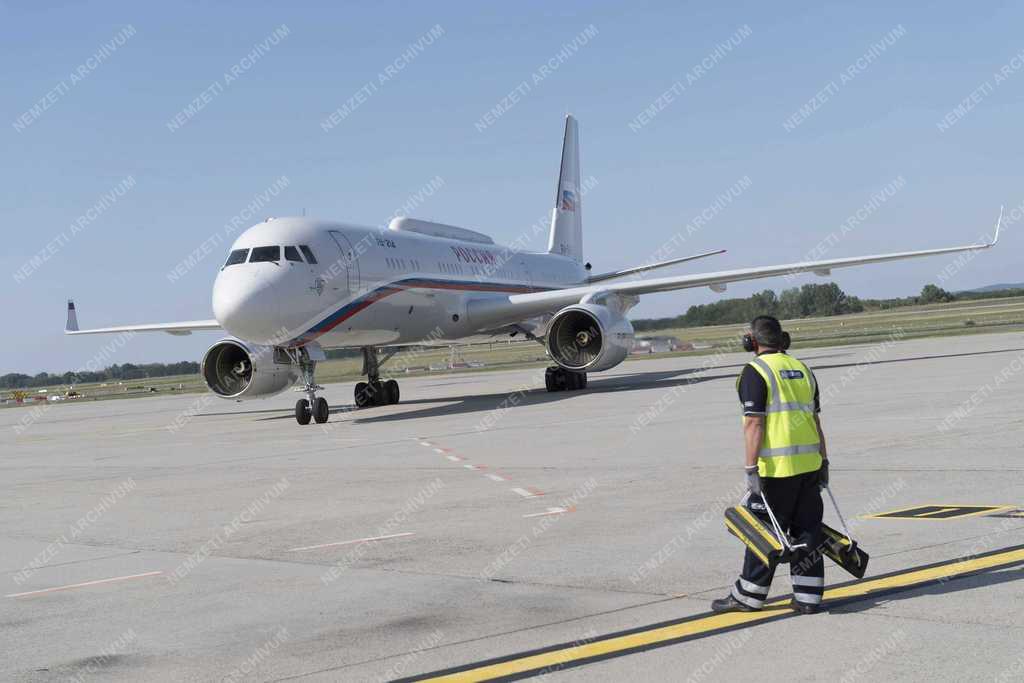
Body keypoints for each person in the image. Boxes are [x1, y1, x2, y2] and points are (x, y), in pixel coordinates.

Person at [711, 315, 829, 615]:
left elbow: (754, 423)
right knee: (807, 531)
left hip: (776, 469)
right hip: (809, 464)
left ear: (751, 341)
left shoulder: (756, 371)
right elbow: (815, 420)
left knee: (761, 531)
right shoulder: (803, 369)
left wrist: (751, 469)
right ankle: (809, 596)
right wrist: (824, 460)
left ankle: (748, 596)